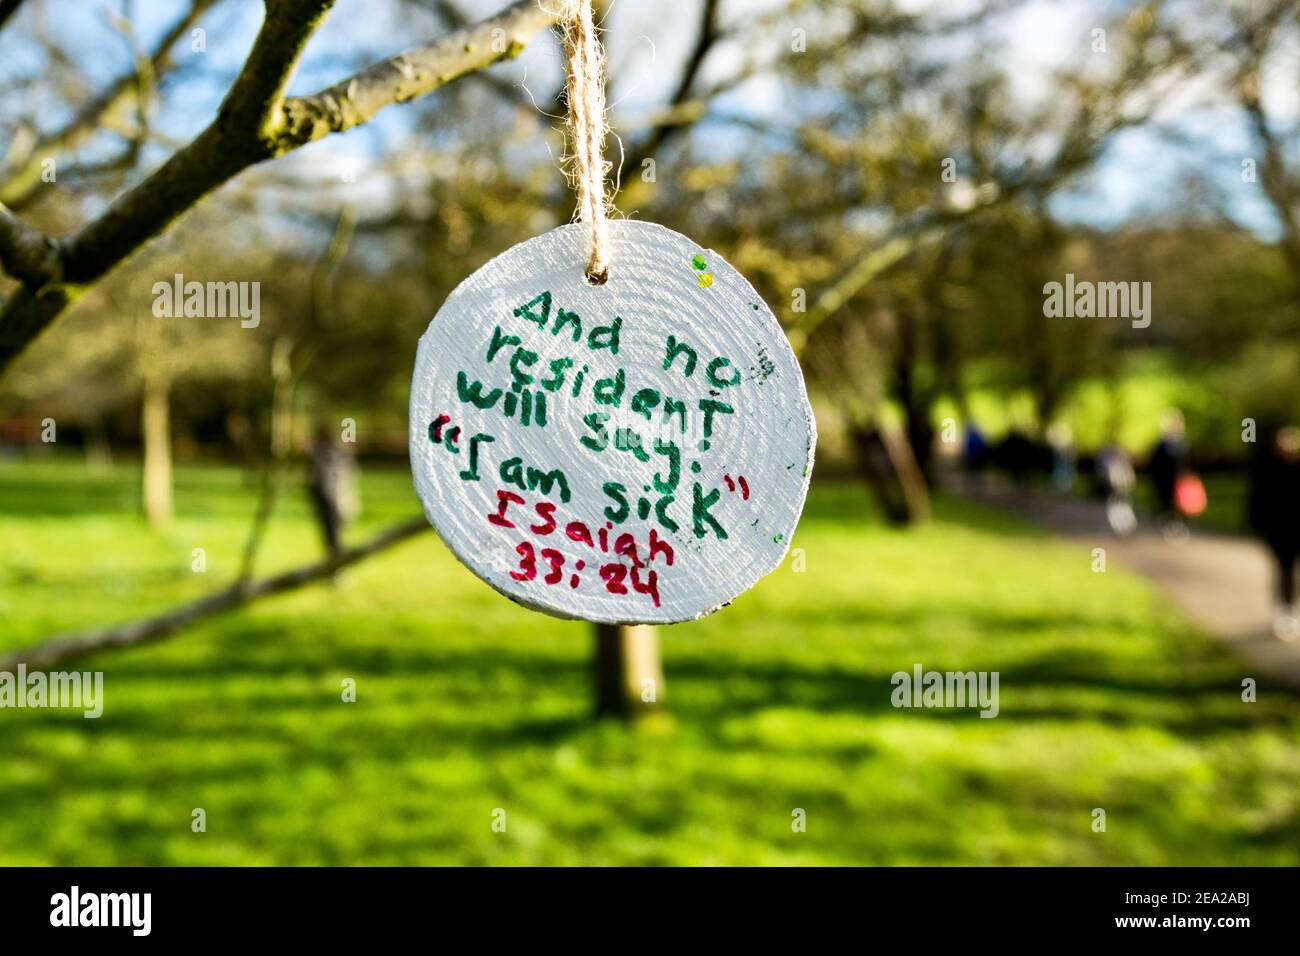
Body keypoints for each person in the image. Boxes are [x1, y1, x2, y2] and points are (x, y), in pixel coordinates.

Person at [1248, 425, 1300, 642]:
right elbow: (1258, 502)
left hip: (1296, 530)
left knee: (1289, 571)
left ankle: (1289, 608)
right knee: (1284, 570)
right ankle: (1285, 610)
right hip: (1278, 532)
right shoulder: (1268, 471)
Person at [308, 423, 358, 561]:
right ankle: (334, 564)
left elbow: (318, 479)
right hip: (340, 501)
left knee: (333, 538)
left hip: (330, 501)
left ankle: (336, 565)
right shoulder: (340, 452)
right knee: (335, 538)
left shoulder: (323, 453)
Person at [1148, 409, 1189, 541]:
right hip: (1163, 483)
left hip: (1178, 483)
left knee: (1178, 507)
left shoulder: (1182, 444)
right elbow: (1154, 465)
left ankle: (1176, 528)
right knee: (1165, 506)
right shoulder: (1161, 446)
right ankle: (1167, 527)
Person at [1095, 441, 1136, 536]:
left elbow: (1129, 475)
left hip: (1120, 487)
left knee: (1122, 505)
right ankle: (1120, 526)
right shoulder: (1110, 461)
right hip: (1114, 487)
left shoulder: (1119, 461)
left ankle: (1125, 525)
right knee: (1115, 506)